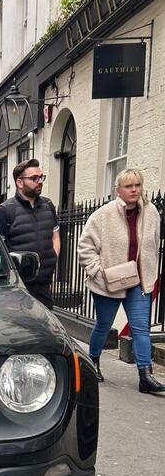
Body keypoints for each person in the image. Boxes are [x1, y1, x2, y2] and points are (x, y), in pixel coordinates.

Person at [77, 168, 164, 394]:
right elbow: (85, 248)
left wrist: (149, 273)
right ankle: (93, 362)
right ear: (118, 190)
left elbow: (154, 246)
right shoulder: (102, 215)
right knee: (104, 326)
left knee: (141, 329)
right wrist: (99, 272)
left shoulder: (151, 213)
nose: (134, 189)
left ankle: (145, 376)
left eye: (137, 185)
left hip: (138, 282)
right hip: (109, 282)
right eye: (128, 186)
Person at [0, 159, 61, 309]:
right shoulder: (5, 210)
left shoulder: (48, 205)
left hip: (44, 284)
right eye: (34, 178)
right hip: (18, 288)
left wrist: (52, 259)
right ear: (19, 182)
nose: (40, 181)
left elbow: (55, 236)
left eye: (41, 177)